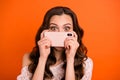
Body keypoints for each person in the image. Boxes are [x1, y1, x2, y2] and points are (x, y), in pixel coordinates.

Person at [17, 6, 93, 80]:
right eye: (53, 28)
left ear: (74, 33)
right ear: (45, 31)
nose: (60, 34)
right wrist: (42, 58)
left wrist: (70, 59)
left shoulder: (86, 64)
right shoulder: (29, 59)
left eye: (66, 28)